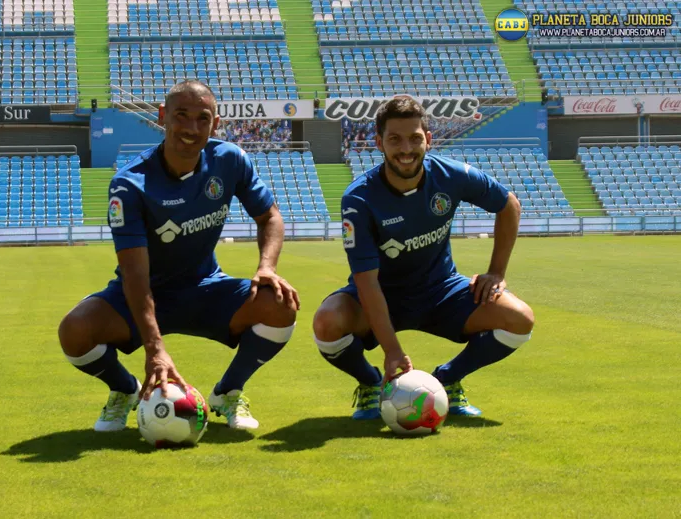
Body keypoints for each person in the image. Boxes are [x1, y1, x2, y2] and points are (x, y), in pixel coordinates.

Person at [58, 80, 299, 432]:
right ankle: (125, 390)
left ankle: (228, 391)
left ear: (215, 124)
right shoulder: (130, 185)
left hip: (205, 289)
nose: (191, 128)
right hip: (144, 294)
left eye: (203, 118)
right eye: (181, 116)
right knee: (74, 331)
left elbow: (270, 217)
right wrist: (154, 349)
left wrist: (267, 267)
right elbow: (135, 275)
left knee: (281, 304)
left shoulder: (229, 160)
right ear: (162, 117)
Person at [312, 96, 534, 419]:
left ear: (428, 140)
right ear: (379, 143)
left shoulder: (450, 176)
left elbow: (509, 205)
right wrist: (392, 352)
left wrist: (496, 273)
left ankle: (447, 380)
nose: (406, 149)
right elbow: (366, 282)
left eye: (415, 138)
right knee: (326, 322)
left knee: (520, 319)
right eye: (395, 139)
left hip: (440, 292)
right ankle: (372, 383)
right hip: (380, 298)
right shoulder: (358, 199)